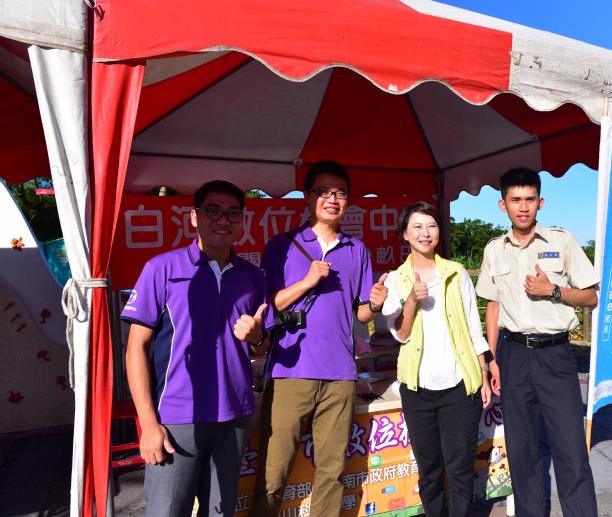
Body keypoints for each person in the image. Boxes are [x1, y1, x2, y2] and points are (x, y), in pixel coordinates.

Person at [122, 180, 270, 517]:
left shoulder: (252, 276)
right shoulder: (162, 269)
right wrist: (148, 422)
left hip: (234, 413)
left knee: (220, 510)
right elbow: (135, 349)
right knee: (167, 510)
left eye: (233, 213)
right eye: (213, 211)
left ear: (242, 222)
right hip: (177, 417)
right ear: (195, 218)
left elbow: (263, 345)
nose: (223, 220)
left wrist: (258, 337)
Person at [250, 160, 389, 517]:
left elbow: (359, 314)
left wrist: (373, 305)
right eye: (323, 191)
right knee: (273, 471)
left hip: (341, 374)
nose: (332, 199)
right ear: (307, 197)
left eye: (340, 193)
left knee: (332, 472)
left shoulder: (356, 250)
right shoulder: (282, 245)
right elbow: (268, 306)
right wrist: (307, 282)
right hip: (289, 372)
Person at [476, 167, 600, 517]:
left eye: (530, 199)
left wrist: (554, 291)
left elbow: (591, 297)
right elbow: (493, 307)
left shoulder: (562, 241)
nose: (523, 207)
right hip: (512, 355)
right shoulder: (494, 250)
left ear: (540, 202)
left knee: (571, 450)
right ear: (503, 205)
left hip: (555, 356)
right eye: (516, 200)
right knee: (523, 451)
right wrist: (492, 358)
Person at [381, 201, 492, 517]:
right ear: (405, 234)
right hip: (417, 390)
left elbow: (474, 326)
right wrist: (412, 302)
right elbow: (400, 334)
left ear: (439, 232)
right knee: (429, 471)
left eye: (431, 225)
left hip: (459, 387)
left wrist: (482, 372)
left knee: (459, 470)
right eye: (417, 226)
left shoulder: (456, 273)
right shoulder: (394, 280)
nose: (425, 233)